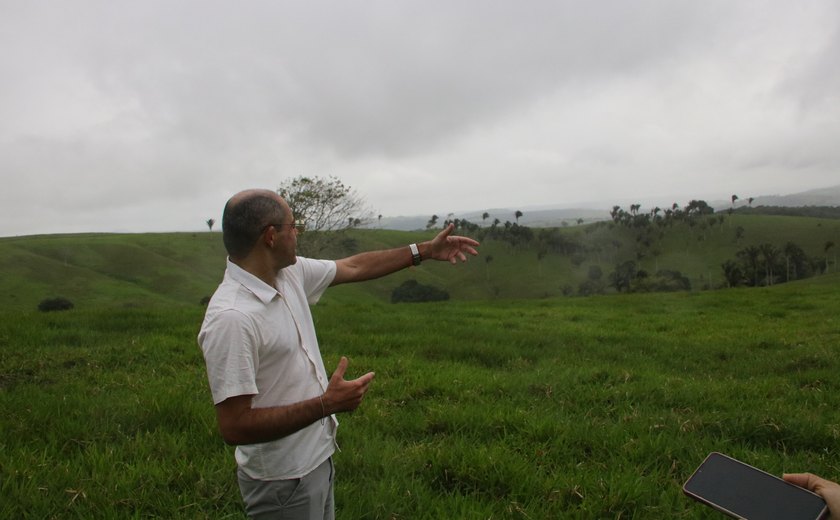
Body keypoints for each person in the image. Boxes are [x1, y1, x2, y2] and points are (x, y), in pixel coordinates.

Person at [197, 188, 480, 519]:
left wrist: (425, 251)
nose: (297, 232)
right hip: (282, 480)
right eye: (292, 225)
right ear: (271, 237)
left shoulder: (288, 274)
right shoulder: (232, 318)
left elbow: (355, 266)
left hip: (315, 460)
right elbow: (235, 427)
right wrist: (325, 405)